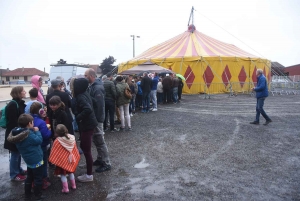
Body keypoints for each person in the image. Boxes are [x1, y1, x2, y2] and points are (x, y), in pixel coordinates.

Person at [7, 114, 44, 200]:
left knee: (30, 177)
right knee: (38, 178)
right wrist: (37, 131)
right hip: (36, 159)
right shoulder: (29, 135)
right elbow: (39, 141)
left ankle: (27, 193)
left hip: (28, 160)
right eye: (32, 122)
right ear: (29, 123)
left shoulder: (17, 133)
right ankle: (38, 195)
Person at [84, 68, 112, 173]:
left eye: (86, 75)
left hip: (97, 119)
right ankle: (100, 159)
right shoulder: (94, 86)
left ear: (91, 76)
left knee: (100, 140)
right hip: (96, 118)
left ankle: (106, 163)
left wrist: (96, 120)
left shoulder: (98, 88)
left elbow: (99, 106)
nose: (85, 77)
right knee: (97, 140)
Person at [72, 77, 98, 182]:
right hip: (88, 124)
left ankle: (89, 175)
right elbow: (95, 103)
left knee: (87, 151)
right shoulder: (85, 93)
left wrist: (78, 117)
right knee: (84, 146)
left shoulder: (80, 96)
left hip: (87, 125)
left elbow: (88, 109)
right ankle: (88, 166)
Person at [4, 86, 27, 181]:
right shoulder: (13, 105)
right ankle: (14, 174)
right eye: (23, 91)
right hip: (14, 133)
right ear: (18, 93)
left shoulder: (18, 103)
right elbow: (13, 122)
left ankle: (18, 169)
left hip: (17, 132)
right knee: (15, 153)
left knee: (18, 153)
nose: (25, 92)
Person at [49, 124, 79, 193]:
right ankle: (74, 185)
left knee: (63, 175)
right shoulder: (72, 138)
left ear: (57, 133)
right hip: (70, 160)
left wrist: (53, 159)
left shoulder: (57, 141)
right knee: (71, 173)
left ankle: (66, 189)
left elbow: (54, 152)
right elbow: (75, 149)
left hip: (62, 162)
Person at [30, 102, 52, 189]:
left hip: (33, 146)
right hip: (42, 145)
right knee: (43, 163)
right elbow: (46, 135)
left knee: (34, 164)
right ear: (40, 111)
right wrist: (49, 130)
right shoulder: (41, 122)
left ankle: (33, 181)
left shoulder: (29, 120)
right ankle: (43, 180)